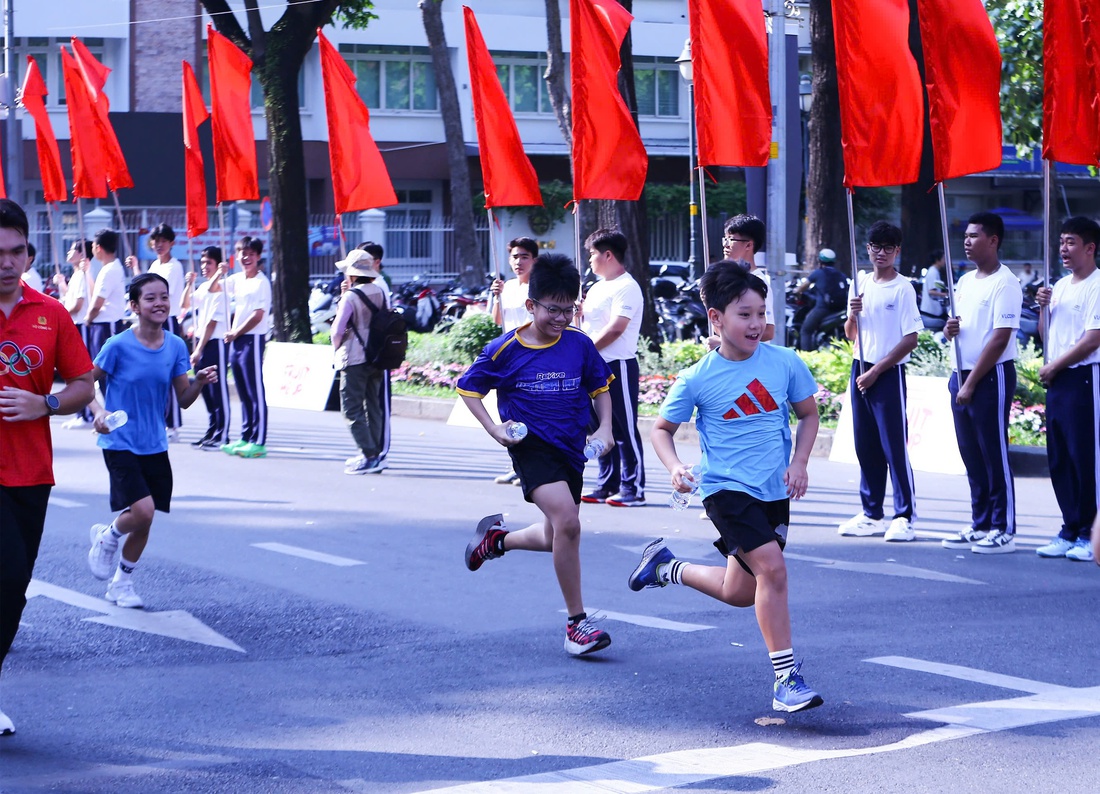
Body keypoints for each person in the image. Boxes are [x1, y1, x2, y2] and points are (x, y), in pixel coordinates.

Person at [630, 259, 824, 713]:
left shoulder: (785, 362)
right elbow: (660, 430)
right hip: (726, 491)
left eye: (760, 312)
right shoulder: (697, 378)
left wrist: (799, 462)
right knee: (772, 570)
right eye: (744, 314)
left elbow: (809, 415)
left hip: (774, 490)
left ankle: (665, 568)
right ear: (716, 318)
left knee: (741, 592)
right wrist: (676, 465)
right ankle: (786, 680)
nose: (756, 324)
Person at [458, 253, 615, 656]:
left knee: (554, 534)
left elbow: (600, 387)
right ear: (531, 305)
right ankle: (577, 625)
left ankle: (497, 541)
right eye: (553, 309)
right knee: (568, 522)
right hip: (532, 448)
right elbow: (468, 387)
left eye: (569, 309)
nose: (561, 318)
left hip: (571, 447)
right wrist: (495, 428)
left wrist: (606, 427)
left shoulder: (579, 344)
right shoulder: (506, 348)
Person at [0, 198, 95, 736]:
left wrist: (47, 404)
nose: (7, 263)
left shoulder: (50, 314)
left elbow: (83, 382)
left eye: (16, 252)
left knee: (13, 587)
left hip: (29, 473)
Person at [86, 273, 217, 609]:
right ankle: (109, 535)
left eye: (164, 297)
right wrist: (99, 413)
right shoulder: (117, 345)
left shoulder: (175, 345)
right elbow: (85, 383)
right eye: (150, 298)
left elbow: (183, 398)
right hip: (120, 442)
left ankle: (122, 584)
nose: (159, 303)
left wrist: (199, 381)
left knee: (146, 517)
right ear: (134, 305)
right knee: (142, 512)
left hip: (155, 443)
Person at [837, 222, 922, 542]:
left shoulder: (903, 288)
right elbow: (851, 334)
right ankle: (871, 512)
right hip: (860, 367)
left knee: (893, 446)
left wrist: (876, 371)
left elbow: (910, 338)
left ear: (897, 251)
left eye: (888, 248)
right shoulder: (859, 282)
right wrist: (851, 315)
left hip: (887, 372)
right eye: (876, 247)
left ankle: (905, 515)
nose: (881, 253)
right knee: (865, 445)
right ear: (867, 248)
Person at [942, 211, 1021, 554]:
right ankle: (981, 522)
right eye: (966, 236)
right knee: (970, 453)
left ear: (993, 240)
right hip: (960, 376)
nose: (967, 241)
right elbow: (961, 327)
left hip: (990, 377)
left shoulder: (1006, 282)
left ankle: (1004, 527)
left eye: (975, 236)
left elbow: (1000, 338)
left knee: (993, 453)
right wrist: (949, 330)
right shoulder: (966, 280)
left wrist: (972, 383)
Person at [1033, 217, 1100, 562]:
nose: (1063, 248)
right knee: (1059, 457)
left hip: (1083, 378)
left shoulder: (1097, 285)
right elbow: (1048, 337)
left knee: (1084, 457)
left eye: (1071, 242)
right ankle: (1069, 528)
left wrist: (1057, 366)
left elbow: (1094, 338)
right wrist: (1044, 307)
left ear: (1090, 248)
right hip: (1057, 378)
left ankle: (1092, 533)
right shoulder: (1058, 286)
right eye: (1061, 242)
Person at [579, 229, 646, 507]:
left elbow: (616, 328)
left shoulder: (627, 287)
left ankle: (634, 488)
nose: (590, 260)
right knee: (599, 429)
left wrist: (586, 351)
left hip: (618, 364)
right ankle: (607, 483)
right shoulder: (596, 286)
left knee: (624, 429)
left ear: (608, 254)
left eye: (593, 254)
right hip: (593, 366)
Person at [331, 249, 390, 475]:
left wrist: (336, 348)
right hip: (377, 356)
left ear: (352, 274)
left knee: (351, 408)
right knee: (372, 406)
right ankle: (374, 453)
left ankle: (368, 454)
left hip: (354, 357)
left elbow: (337, 330)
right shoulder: (380, 292)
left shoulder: (350, 296)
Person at [129, 224, 187, 440]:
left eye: (164, 241)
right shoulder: (154, 265)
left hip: (168, 320)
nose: (159, 245)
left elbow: (157, 293)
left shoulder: (174, 267)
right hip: (152, 322)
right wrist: (136, 269)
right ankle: (158, 420)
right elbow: (145, 290)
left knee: (169, 371)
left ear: (172, 243)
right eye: (156, 241)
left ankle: (172, 425)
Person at [487, 237, 537, 486]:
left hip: (532, 357)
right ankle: (516, 465)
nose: (519, 262)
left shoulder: (538, 288)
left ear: (534, 260)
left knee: (531, 413)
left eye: (524, 256)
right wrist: (497, 297)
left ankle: (532, 466)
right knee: (511, 413)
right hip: (509, 358)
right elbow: (498, 320)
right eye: (515, 257)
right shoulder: (506, 287)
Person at [221, 236, 271, 459]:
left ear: (258, 257)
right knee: (242, 390)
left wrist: (235, 332)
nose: (245, 257)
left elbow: (258, 315)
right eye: (242, 253)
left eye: (250, 254)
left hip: (252, 338)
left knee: (254, 391)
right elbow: (214, 288)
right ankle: (245, 436)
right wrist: (219, 272)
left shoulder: (261, 282)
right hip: (237, 340)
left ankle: (258, 441)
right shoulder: (237, 279)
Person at [180, 246, 231, 450]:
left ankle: (223, 434)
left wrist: (199, 349)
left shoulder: (221, 291)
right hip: (202, 342)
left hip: (214, 343)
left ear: (217, 265)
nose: (204, 267)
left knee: (217, 389)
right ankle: (213, 429)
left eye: (208, 263)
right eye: (202, 263)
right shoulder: (203, 288)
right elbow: (184, 304)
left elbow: (211, 324)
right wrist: (189, 284)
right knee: (207, 391)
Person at [80, 230, 128, 417]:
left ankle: (114, 415)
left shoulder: (110, 270)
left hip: (107, 325)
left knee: (107, 373)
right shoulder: (108, 268)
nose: (92, 250)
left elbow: (97, 303)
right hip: (103, 325)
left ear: (98, 248)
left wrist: (88, 318)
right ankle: (109, 415)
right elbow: (96, 296)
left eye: (92, 247)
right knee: (102, 374)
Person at [54, 240, 97, 428]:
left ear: (82, 254)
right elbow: (69, 299)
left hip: (80, 325)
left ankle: (87, 415)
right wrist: (62, 283)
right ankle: (82, 413)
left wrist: (60, 315)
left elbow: (78, 305)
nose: (69, 252)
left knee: (80, 371)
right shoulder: (76, 275)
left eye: (73, 249)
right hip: (74, 324)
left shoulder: (82, 275)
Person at [722, 214, 776, 342]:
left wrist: (725, 342)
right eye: (725, 239)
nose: (726, 245)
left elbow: (768, 331)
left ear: (748, 245)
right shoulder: (729, 280)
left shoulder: (758, 282)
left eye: (731, 239)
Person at [796, 248, 847, 351]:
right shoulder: (840, 274)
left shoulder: (818, 273)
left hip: (823, 308)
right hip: (840, 308)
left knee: (806, 330)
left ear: (820, 261)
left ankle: (806, 356)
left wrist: (796, 292)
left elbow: (803, 286)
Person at [920, 250, 947, 322]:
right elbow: (931, 291)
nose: (945, 261)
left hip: (932, 310)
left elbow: (937, 286)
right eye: (943, 258)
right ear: (937, 260)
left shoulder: (935, 271)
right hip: (930, 311)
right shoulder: (933, 272)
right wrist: (946, 294)